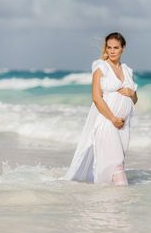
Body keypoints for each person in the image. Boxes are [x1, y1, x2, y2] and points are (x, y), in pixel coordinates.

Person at [59, 32, 138, 186]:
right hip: (107, 121)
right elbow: (96, 97)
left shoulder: (127, 70)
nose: (112, 51)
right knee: (117, 165)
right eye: (109, 47)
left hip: (123, 126)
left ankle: (108, 205)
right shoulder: (101, 67)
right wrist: (113, 118)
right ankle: (125, 199)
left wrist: (131, 93)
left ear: (123, 48)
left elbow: (134, 100)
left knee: (115, 164)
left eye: (116, 47)